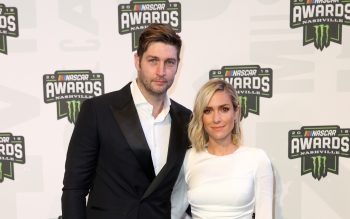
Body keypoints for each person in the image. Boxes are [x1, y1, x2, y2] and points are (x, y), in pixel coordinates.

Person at [61, 23, 191, 219]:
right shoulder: (98, 110)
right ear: (137, 60)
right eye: (153, 60)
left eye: (169, 62)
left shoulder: (186, 119)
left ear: (177, 65)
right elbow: (74, 188)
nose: (161, 71)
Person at [172, 79, 273, 219]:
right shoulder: (189, 158)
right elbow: (174, 211)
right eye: (208, 110)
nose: (216, 119)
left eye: (224, 109)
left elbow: (265, 215)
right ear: (201, 116)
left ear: (236, 112)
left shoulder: (257, 159)